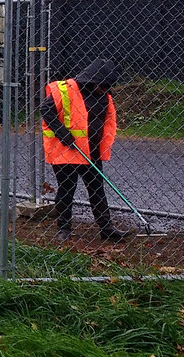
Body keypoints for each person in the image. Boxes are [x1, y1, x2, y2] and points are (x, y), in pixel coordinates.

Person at [41, 58, 129, 243]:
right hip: (68, 151)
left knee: (97, 190)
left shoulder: (104, 96)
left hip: (91, 152)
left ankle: (106, 228)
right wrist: (63, 134)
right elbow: (46, 110)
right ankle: (64, 229)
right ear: (92, 80)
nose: (105, 90)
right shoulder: (66, 89)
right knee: (67, 189)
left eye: (107, 87)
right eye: (102, 86)